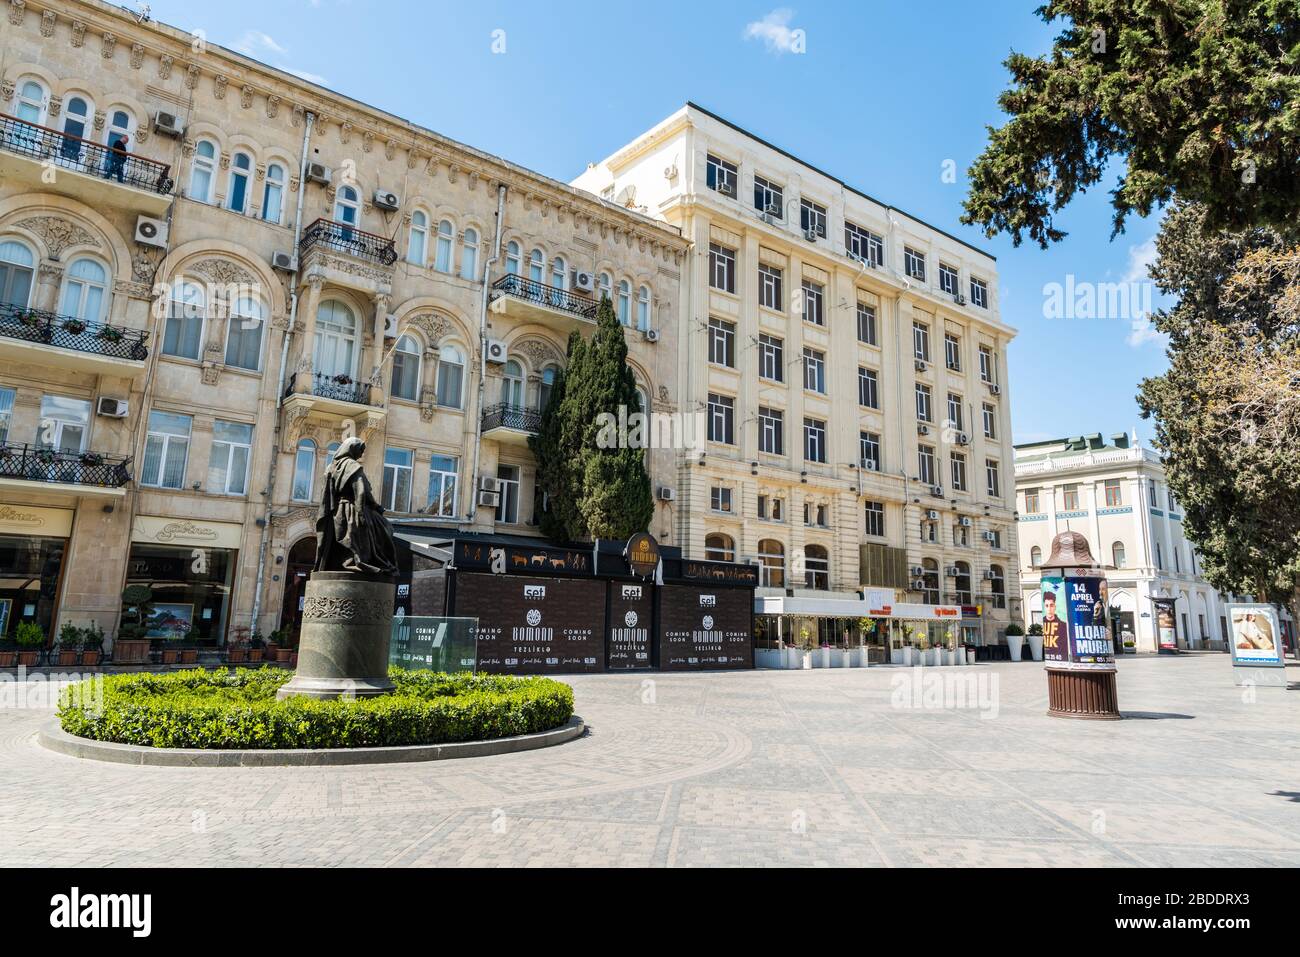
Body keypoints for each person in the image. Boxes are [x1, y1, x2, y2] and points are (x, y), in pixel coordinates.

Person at [314, 437, 398, 575]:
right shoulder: (353, 466)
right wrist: (369, 511)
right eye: (360, 451)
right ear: (352, 449)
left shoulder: (330, 467)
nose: (361, 455)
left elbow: (326, 495)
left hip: (336, 513)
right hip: (353, 510)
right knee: (385, 529)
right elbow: (361, 492)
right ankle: (372, 563)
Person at [1041, 589, 1068, 660]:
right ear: (1044, 607)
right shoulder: (1042, 623)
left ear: (1055, 607)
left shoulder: (1063, 625)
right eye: (1047, 606)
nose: (1049, 609)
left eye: (1051, 605)